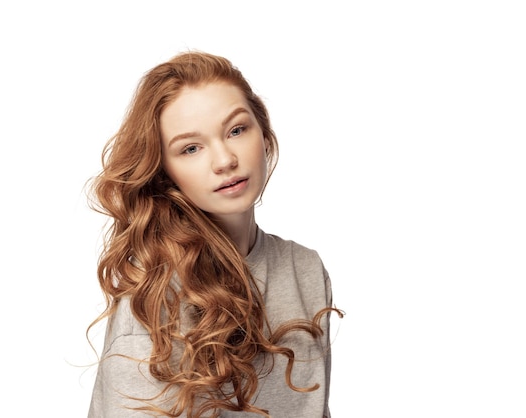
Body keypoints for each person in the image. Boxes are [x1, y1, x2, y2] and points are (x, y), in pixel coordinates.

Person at [87, 51, 343, 418]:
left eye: (237, 130)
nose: (224, 160)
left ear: (263, 130)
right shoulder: (154, 295)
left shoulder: (305, 269)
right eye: (191, 148)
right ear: (164, 172)